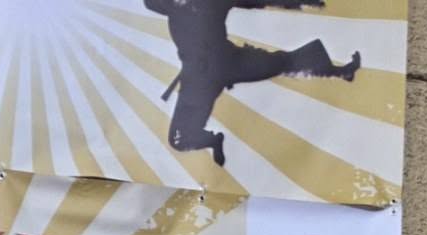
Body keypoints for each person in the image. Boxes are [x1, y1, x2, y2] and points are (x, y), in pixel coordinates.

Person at [148, 0, 360, 166]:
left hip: (231, 62)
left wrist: (301, 2)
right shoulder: (170, 6)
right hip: (199, 80)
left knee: (282, 62)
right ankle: (213, 140)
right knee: (179, 139)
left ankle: (340, 72)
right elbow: (151, 2)